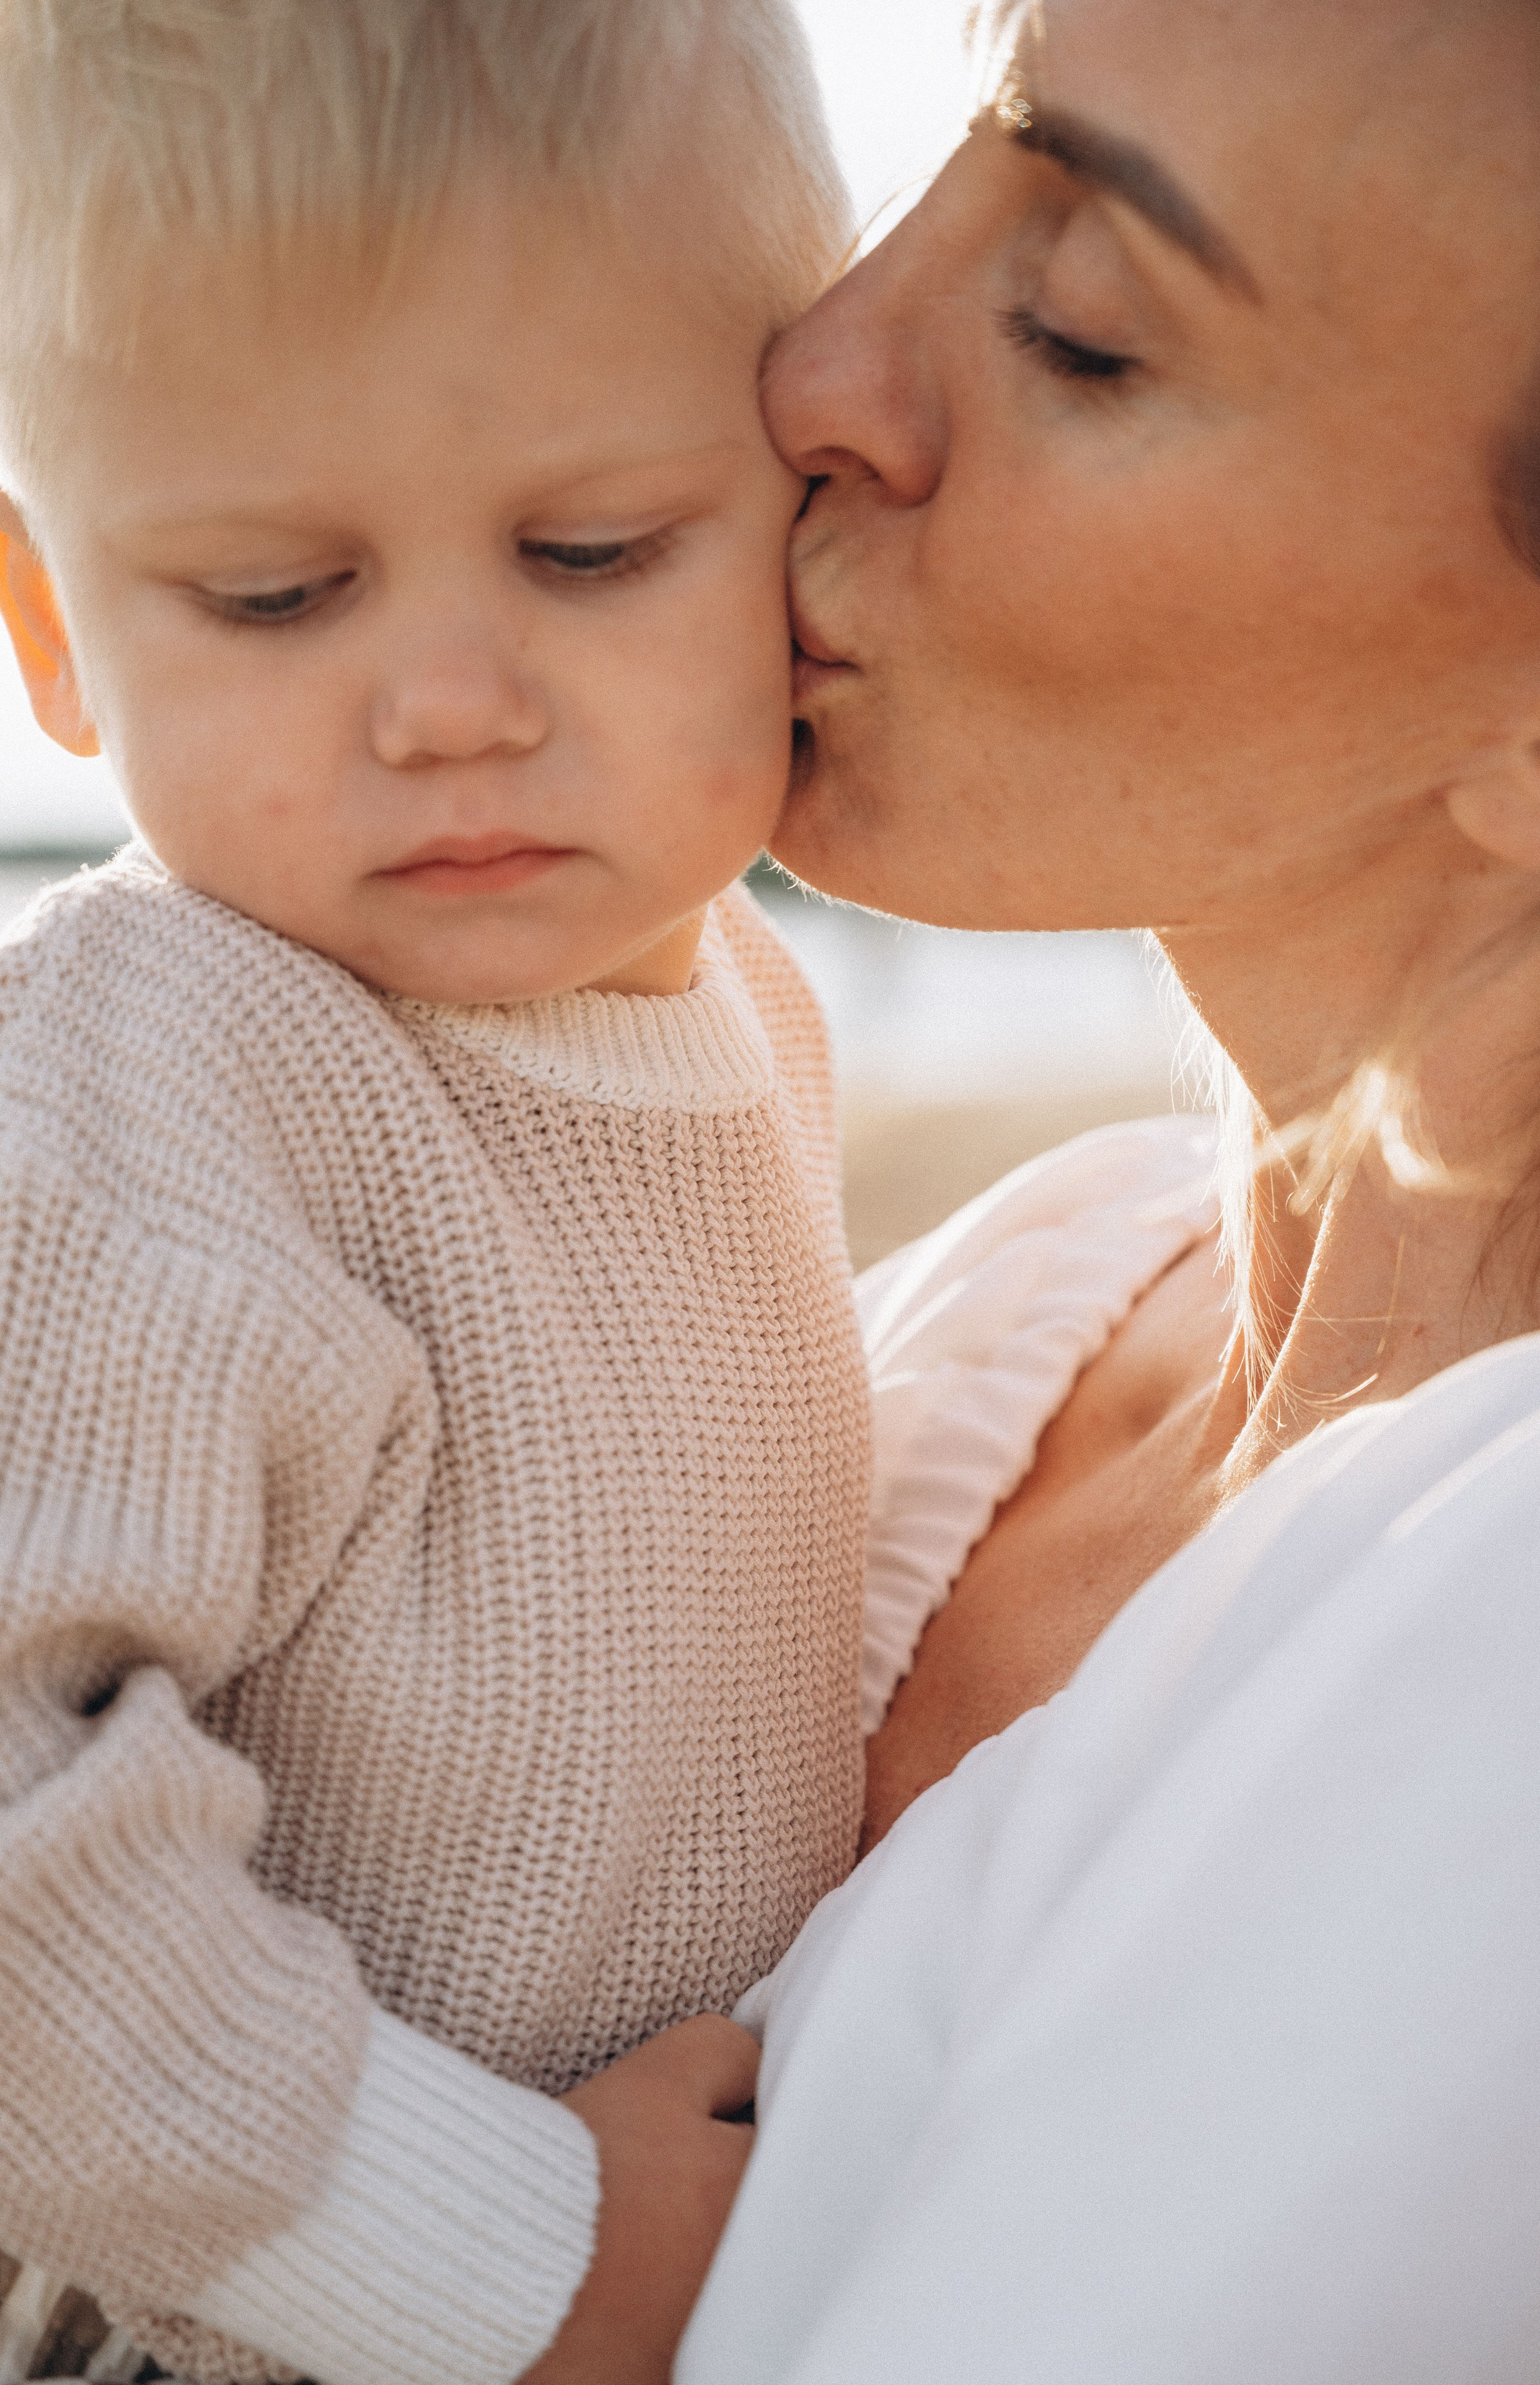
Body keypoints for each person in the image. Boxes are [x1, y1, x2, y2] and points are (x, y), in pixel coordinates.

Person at [0, 5, 866, 2381]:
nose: (448, 700)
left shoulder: (744, 1015)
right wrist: (493, 2257)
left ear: (814, 520)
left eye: (591, 550)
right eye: (275, 596)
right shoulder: (156, 1089)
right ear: (48, 624)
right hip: (208, 2321)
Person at [675, 0, 1540, 2375]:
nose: (820, 362)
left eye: (1076, 331)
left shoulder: (1498, 1691)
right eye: (943, 154)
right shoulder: (1032, 1293)